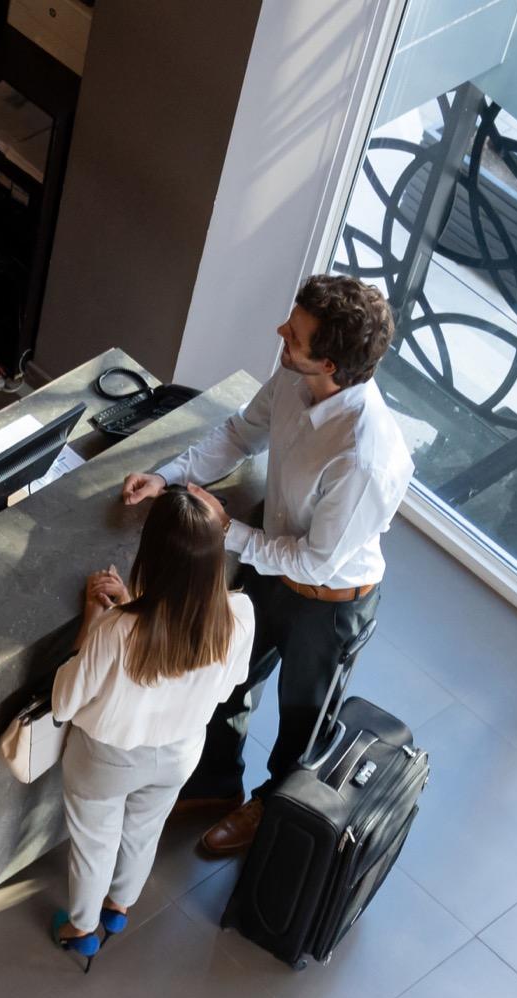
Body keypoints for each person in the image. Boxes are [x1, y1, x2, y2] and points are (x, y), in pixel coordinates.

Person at [120, 273, 412, 858]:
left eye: (294, 334)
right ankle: (215, 784)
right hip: (270, 565)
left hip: (329, 603)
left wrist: (227, 531)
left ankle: (273, 809)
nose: (281, 331)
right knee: (226, 675)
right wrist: (169, 476)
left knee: (302, 720)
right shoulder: (294, 375)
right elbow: (240, 434)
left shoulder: (365, 457)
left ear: (329, 363)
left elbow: (317, 561)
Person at [48, 486, 256, 959]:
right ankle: (118, 908)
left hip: (105, 759)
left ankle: (82, 930)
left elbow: (63, 702)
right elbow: (224, 687)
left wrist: (94, 621)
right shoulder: (240, 615)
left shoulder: (116, 629)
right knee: (145, 830)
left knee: (95, 843)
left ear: (152, 555)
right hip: (181, 752)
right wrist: (132, 604)